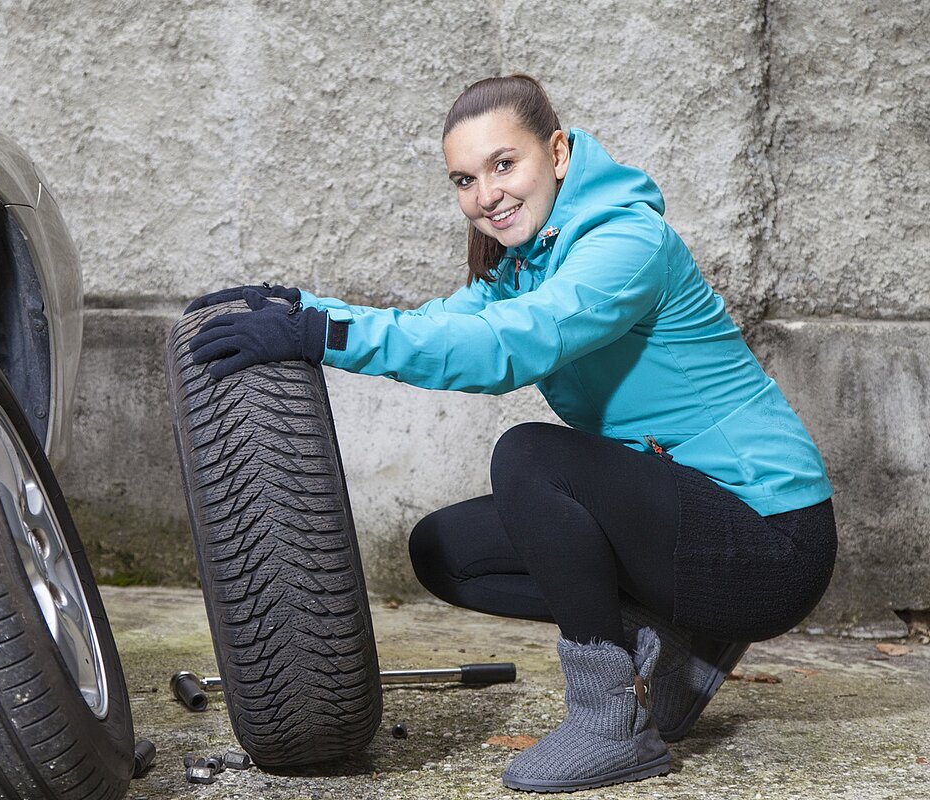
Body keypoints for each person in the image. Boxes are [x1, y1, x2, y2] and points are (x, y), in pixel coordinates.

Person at [185, 74, 836, 794]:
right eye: (465, 179)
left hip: (770, 539)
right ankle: (680, 638)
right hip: (683, 518)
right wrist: (300, 305)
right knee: (445, 552)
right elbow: (450, 324)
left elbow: (511, 345)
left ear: (556, 153)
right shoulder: (525, 262)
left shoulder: (627, 243)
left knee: (529, 457)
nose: (485, 194)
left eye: (504, 164)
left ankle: (608, 720)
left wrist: (321, 334)